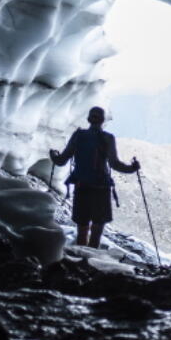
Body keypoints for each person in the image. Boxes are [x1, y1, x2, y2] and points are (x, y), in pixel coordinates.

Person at [49, 106, 140, 248]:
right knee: (97, 230)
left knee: (82, 229)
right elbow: (115, 164)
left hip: (81, 186)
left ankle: (80, 260)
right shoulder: (108, 138)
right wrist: (132, 168)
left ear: (88, 119)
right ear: (103, 120)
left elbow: (61, 161)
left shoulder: (78, 135)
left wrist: (54, 156)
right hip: (101, 188)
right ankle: (91, 260)